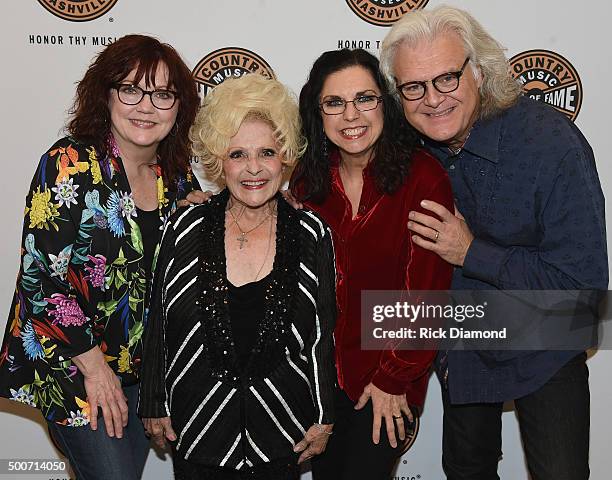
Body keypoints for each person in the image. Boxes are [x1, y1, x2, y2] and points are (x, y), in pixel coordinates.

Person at [380, 6, 607, 480]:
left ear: (479, 72)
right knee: (465, 470)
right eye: (413, 87)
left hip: (547, 341)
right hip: (464, 339)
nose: (433, 99)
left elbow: (586, 297)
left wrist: (470, 252)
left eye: (446, 78)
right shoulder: (406, 147)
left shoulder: (551, 144)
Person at [0, 34, 200, 479]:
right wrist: (95, 370)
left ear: (179, 106)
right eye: (131, 89)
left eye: (163, 94)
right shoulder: (69, 162)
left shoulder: (178, 178)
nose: (146, 107)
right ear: (106, 95)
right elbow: (41, 280)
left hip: (140, 373)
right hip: (72, 367)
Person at [137, 73, 337, 480]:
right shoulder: (186, 225)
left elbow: (322, 332)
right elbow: (158, 318)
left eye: (266, 152)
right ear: (217, 160)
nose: (253, 169)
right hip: (199, 428)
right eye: (237, 154)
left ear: (285, 156)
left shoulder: (312, 232)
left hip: (282, 432)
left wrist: (323, 414)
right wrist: (153, 400)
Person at [290, 48, 454, 480]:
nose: (351, 115)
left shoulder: (424, 177)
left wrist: (392, 378)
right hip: (320, 381)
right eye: (335, 103)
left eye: (365, 98)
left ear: (385, 103)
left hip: (387, 380)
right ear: (318, 113)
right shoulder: (306, 182)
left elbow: (427, 295)